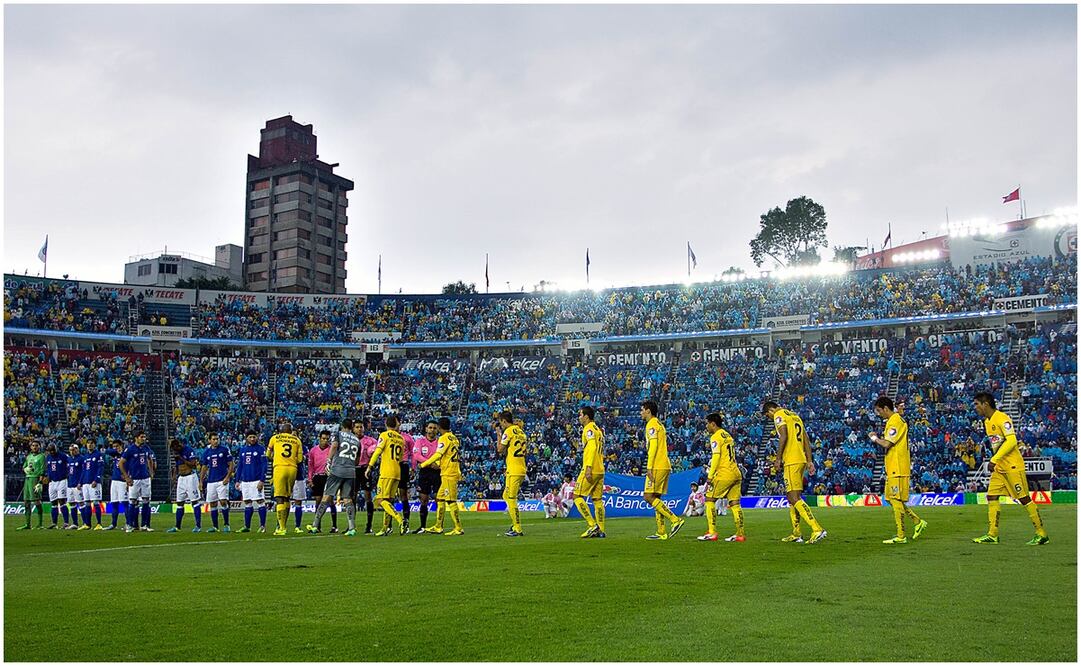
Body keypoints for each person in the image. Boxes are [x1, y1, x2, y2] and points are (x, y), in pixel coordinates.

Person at [971, 392, 1048, 545]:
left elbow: (1012, 440)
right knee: (991, 496)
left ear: (985, 404)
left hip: (1012, 465)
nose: (975, 408)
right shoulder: (987, 422)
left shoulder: (1003, 418)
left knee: (1024, 498)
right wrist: (997, 461)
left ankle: (1041, 533)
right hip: (1000, 467)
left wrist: (994, 459)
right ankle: (992, 534)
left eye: (977, 404)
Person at [763, 400, 825, 544]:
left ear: (770, 411)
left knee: (794, 497)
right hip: (801, 459)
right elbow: (806, 440)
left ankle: (817, 528)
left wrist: (778, 459)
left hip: (791, 460)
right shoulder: (795, 416)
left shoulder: (778, 415)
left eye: (767, 416)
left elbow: (783, 436)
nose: (769, 419)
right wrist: (809, 461)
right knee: (792, 497)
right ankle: (796, 533)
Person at [868, 396, 927, 544]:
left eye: (879, 411)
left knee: (895, 499)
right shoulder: (893, 421)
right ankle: (917, 521)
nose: (878, 414)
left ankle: (901, 535)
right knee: (891, 498)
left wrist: (874, 438)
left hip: (898, 467)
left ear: (886, 408)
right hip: (893, 466)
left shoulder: (895, 421)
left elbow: (887, 443)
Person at [641, 400, 685, 540]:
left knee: (648, 497)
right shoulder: (659, 424)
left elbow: (653, 446)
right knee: (656, 498)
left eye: (642, 410)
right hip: (664, 464)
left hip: (657, 466)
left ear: (648, 411)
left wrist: (649, 467)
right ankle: (661, 532)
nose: (641, 412)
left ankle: (675, 520)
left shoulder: (652, 424)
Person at [699, 413, 745, 542]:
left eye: (707, 423)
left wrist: (710, 475)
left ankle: (712, 532)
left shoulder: (715, 437)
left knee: (709, 499)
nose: (706, 426)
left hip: (724, 473)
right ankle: (740, 534)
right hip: (736, 472)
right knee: (735, 504)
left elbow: (716, 457)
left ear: (713, 423)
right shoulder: (727, 435)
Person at [310, 418, 360, 535]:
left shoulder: (338, 434)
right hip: (350, 471)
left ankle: (315, 525)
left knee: (326, 496)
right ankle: (352, 527)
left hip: (337, 469)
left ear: (342, 426)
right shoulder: (357, 440)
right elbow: (357, 461)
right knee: (347, 499)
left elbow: (334, 446)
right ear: (352, 427)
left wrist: (329, 460)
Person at [418, 417, 464, 535]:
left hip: (449, 473)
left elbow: (438, 454)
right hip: (449, 471)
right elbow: (447, 456)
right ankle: (438, 526)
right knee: (440, 497)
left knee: (451, 501)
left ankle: (458, 528)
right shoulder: (454, 438)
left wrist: (425, 463)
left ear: (439, 427)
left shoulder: (443, 438)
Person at [367, 414, 406, 536]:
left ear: (386, 424)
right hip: (397, 471)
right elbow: (400, 457)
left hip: (386, 472)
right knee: (388, 500)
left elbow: (378, 451)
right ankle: (385, 528)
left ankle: (400, 519)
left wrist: (370, 466)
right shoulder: (401, 438)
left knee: (379, 499)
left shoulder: (384, 435)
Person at [573, 406, 606, 538]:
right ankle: (601, 530)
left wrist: (588, 467)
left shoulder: (589, 429)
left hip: (591, 468)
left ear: (586, 416)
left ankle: (592, 525)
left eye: (580, 415)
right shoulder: (598, 429)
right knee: (597, 500)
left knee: (577, 496)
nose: (579, 417)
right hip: (600, 469)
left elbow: (592, 447)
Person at [267, 421, 303, 536]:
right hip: (292, 469)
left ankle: (281, 527)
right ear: (291, 431)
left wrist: (275, 457)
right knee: (287, 497)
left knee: (279, 498)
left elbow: (268, 454)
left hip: (279, 468)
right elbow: (300, 459)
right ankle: (284, 525)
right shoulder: (297, 440)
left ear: (281, 430)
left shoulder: (274, 438)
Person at [496, 411, 528, 537]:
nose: (501, 425)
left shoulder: (508, 431)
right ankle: (514, 524)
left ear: (504, 421)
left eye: (501, 423)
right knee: (506, 495)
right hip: (520, 468)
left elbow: (500, 449)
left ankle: (517, 528)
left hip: (514, 470)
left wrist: (499, 434)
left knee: (511, 498)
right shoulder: (521, 432)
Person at [119, 430, 157, 532]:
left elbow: (149, 459)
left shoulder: (146, 448)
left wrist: (151, 472)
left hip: (145, 478)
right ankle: (130, 525)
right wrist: (127, 477)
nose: (143, 439)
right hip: (134, 480)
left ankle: (145, 525)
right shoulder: (130, 449)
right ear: (136, 438)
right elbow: (121, 463)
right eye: (141, 437)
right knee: (133, 501)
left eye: (144, 437)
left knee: (146, 501)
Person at [235, 430, 269, 533]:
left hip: (256, 480)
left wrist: (262, 480)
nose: (253, 439)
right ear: (246, 438)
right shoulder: (243, 450)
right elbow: (240, 466)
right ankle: (247, 526)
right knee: (247, 502)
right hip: (245, 481)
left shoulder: (261, 449)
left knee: (260, 501)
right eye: (250, 437)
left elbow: (265, 465)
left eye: (254, 437)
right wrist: (237, 480)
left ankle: (262, 526)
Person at [200, 433, 234, 533]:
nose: (216, 441)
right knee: (213, 503)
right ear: (209, 440)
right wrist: (201, 481)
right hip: (211, 481)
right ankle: (215, 527)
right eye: (214, 439)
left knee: (223, 501)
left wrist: (228, 477)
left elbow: (231, 464)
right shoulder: (206, 452)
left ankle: (226, 524)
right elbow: (204, 467)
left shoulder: (224, 450)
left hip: (222, 480)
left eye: (217, 439)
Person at [167, 438, 203, 533]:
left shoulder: (188, 450)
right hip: (181, 478)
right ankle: (177, 526)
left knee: (194, 502)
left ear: (179, 445)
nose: (175, 451)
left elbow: (193, 464)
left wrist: (181, 458)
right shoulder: (177, 453)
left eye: (176, 448)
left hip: (190, 477)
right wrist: (174, 475)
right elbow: (177, 465)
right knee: (179, 503)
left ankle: (198, 526)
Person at [411, 420, 441, 533]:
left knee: (439, 499)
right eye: (430, 427)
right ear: (426, 429)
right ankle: (422, 526)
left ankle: (439, 525)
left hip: (437, 472)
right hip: (425, 471)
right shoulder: (419, 441)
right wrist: (430, 462)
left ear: (437, 429)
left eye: (434, 428)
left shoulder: (440, 442)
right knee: (423, 499)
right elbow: (417, 455)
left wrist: (436, 465)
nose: (432, 430)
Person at [307, 430, 337, 533]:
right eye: (323, 438)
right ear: (319, 438)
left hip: (328, 477)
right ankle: (317, 526)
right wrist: (310, 479)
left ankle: (334, 526)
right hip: (317, 477)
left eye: (327, 439)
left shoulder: (331, 450)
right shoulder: (313, 451)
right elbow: (310, 467)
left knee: (330, 500)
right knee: (318, 501)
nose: (325, 441)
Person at [355, 419, 379, 534]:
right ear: (353, 429)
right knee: (351, 497)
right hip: (353, 470)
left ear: (364, 428)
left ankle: (369, 525)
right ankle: (351, 526)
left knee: (367, 496)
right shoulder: (350, 441)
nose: (359, 429)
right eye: (357, 427)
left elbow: (378, 449)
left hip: (365, 469)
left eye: (361, 427)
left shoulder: (371, 441)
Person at [18, 441, 45, 530]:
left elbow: (42, 470)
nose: (34, 447)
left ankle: (40, 524)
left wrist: (40, 482)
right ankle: (28, 524)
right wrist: (26, 469)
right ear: (31, 447)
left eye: (36, 446)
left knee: (37, 501)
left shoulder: (41, 456)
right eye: (33, 446)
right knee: (26, 502)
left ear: (39, 447)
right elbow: (24, 467)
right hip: (27, 479)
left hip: (35, 479)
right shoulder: (28, 456)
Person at [44, 444, 71, 529]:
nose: (52, 452)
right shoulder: (48, 457)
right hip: (52, 482)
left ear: (56, 449)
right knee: (53, 503)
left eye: (53, 450)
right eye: (50, 450)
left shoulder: (63, 456)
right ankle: (54, 523)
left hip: (62, 481)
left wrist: (68, 475)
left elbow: (70, 465)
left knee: (62, 501)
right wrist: (47, 476)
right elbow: (48, 469)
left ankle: (66, 523)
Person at [80, 440, 105, 530]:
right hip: (85, 483)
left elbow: (101, 468)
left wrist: (96, 479)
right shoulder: (85, 456)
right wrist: (80, 482)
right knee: (87, 503)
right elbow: (83, 470)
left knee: (95, 502)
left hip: (94, 482)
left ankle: (99, 524)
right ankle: (87, 524)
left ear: (94, 445)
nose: (90, 445)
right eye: (88, 443)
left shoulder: (98, 455)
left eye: (92, 443)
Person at [106, 440, 128, 530]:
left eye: (117, 446)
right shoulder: (115, 454)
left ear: (121, 445)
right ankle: (113, 524)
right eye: (114, 446)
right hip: (114, 481)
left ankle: (128, 523)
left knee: (124, 502)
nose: (115, 448)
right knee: (114, 502)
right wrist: (115, 450)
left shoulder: (126, 454)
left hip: (122, 481)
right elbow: (107, 451)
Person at [398, 425, 415, 533]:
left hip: (403, 466)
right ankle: (388, 525)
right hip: (390, 466)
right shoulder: (386, 436)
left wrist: (413, 468)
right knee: (388, 495)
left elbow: (413, 453)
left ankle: (406, 522)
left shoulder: (407, 438)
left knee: (403, 494)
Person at [290, 441, 308, 534]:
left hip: (299, 477)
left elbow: (303, 458)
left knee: (298, 502)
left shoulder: (303, 447)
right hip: (287, 475)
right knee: (283, 500)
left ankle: (297, 526)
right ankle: (280, 525)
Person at [66, 444, 85, 530]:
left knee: (81, 503)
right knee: (71, 503)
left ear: (77, 449)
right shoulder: (69, 459)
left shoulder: (81, 458)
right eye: (70, 450)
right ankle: (75, 523)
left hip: (77, 485)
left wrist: (80, 482)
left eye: (74, 449)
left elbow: (83, 472)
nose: (72, 451)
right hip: (70, 485)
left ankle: (86, 522)